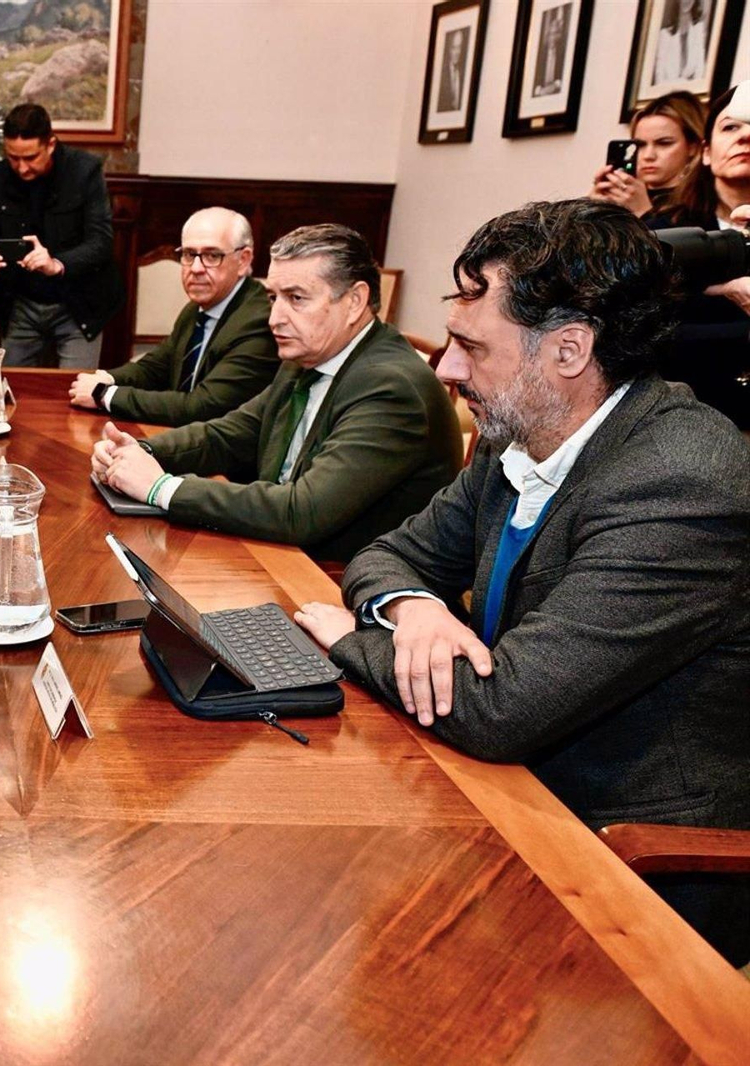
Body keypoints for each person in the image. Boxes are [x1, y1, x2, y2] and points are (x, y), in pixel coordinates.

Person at [293, 199, 750, 965]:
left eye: (472, 346)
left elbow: (501, 709)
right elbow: (386, 555)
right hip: (505, 789)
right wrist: (413, 611)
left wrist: (351, 637)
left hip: (630, 861)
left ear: (568, 349)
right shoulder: (519, 437)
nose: (445, 368)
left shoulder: (684, 483)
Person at [91, 224, 460, 564]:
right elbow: (230, 434)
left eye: (296, 298)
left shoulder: (392, 388)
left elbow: (302, 511)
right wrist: (139, 453)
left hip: (344, 582)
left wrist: (160, 488)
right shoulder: (309, 355)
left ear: (354, 302)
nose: (275, 319)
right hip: (283, 554)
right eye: (273, 298)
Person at [68, 207, 276, 426]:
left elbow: (202, 407)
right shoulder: (197, 309)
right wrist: (107, 379)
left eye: (212, 255)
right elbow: (155, 367)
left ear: (243, 260)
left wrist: (105, 395)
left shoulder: (258, 321)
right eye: (188, 254)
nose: (196, 268)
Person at [0, 102, 125, 369]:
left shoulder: (85, 171)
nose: (22, 168)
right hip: (21, 303)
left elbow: (101, 242)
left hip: (78, 304)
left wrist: (56, 264)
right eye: (13, 158)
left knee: (74, 392)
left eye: (31, 158)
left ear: (51, 145)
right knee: (9, 390)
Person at [643, 83, 750, 427]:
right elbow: (636, 331)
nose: (744, 137)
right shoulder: (662, 230)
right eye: (730, 127)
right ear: (705, 151)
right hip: (684, 420)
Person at [588, 91, 706, 218]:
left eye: (664, 143)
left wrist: (644, 213)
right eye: (640, 145)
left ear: (693, 147)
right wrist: (590, 210)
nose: (648, 156)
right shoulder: (623, 195)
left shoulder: (703, 204)